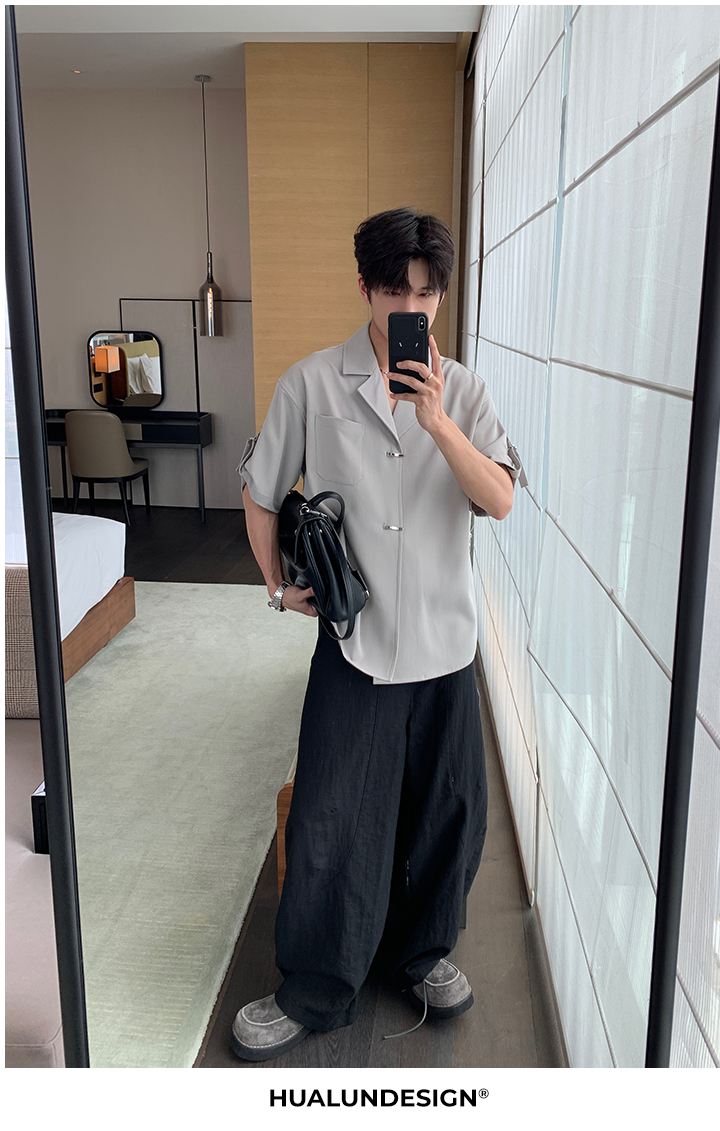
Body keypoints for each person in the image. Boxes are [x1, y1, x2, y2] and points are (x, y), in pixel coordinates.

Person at [232, 207, 523, 1062]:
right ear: (365, 288)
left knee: (447, 815)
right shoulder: (311, 383)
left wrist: (438, 422)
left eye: (426, 294)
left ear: (442, 297)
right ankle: (316, 986)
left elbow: (500, 499)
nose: (412, 307)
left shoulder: (464, 391)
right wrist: (277, 587)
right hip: (354, 644)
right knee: (329, 820)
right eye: (396, 290)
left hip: (445, 646)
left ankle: (422, 955)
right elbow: (259, 488)